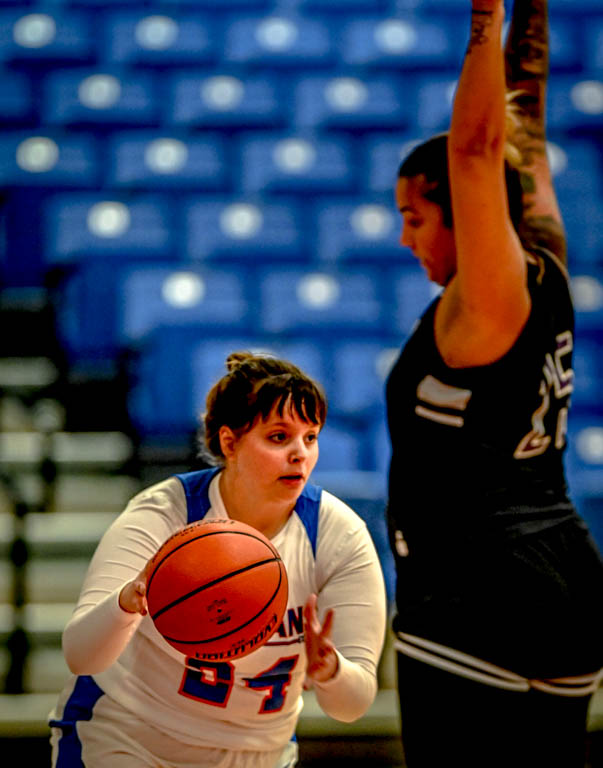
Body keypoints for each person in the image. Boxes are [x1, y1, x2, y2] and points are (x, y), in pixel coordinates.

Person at [385, 1, 603, 766]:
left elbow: (476, 148)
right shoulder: (544, 255)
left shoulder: (487, 299)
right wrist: (529, 19)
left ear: (458, 210)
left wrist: (485, 14)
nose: (405, 236)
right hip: (565, 577)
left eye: (415, 215)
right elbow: (522, 137)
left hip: (477, 587)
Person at [49, 352, 387, 768]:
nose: (300, 453)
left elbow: (351, 707)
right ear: (230, 442)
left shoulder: (338, 535)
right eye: (279, 437)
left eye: (311, 437)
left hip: (260, 755)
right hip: (129, 740)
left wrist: (332, 670)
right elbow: (81, 655)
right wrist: (128, 601)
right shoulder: (165, 514)